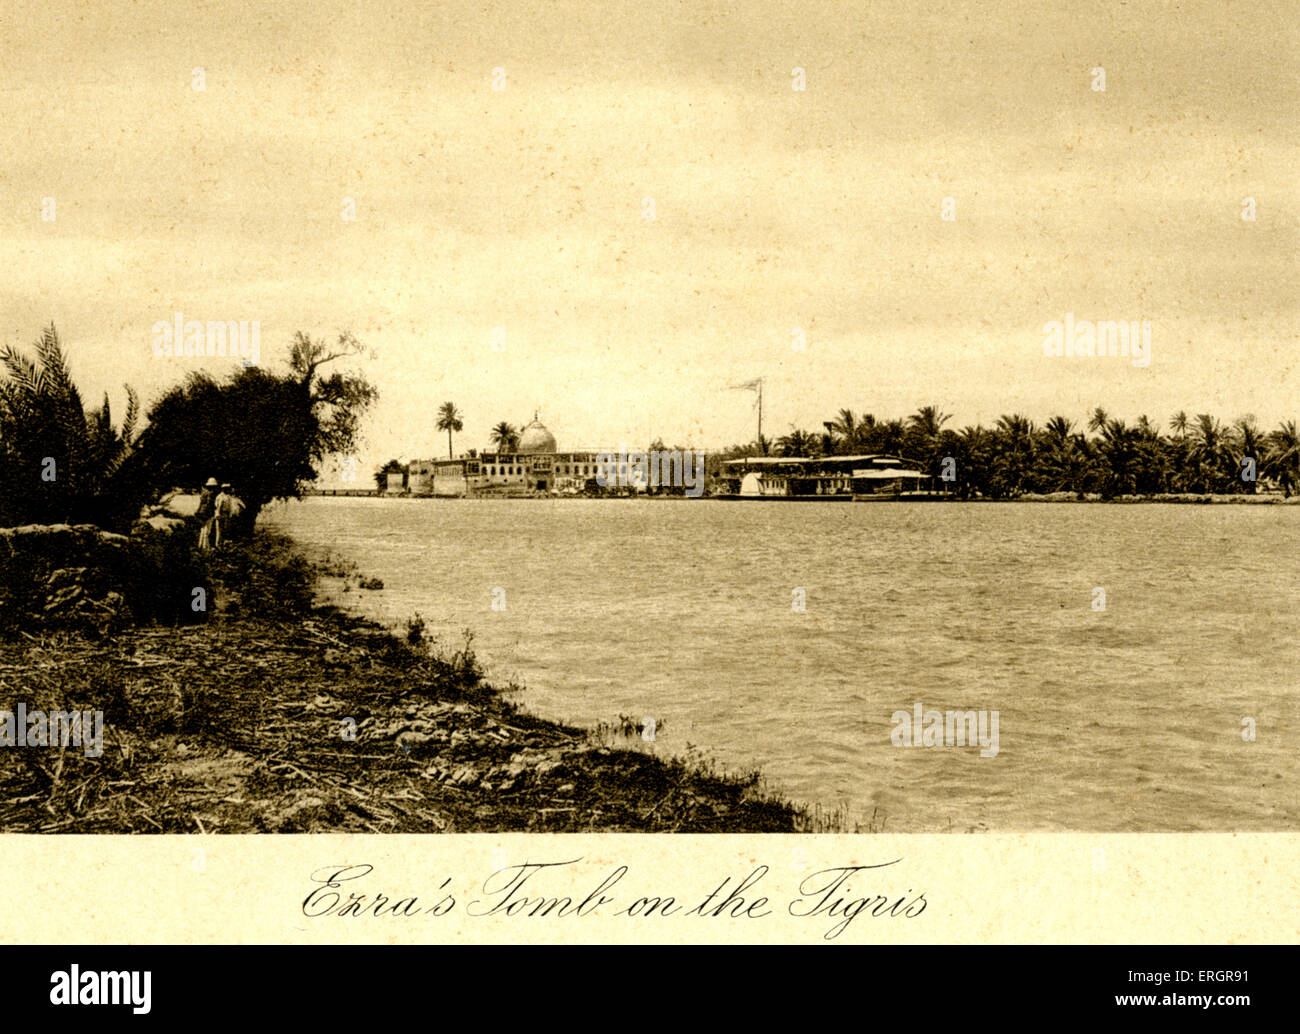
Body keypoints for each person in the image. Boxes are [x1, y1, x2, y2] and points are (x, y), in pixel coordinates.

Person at [196, 478, 219, 550]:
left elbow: (201, 504)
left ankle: (200, 545)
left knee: (203, 529)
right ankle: (205, 546)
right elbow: (210, 505)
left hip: (201, 512)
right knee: (207, 530)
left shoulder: (204, 493)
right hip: (208, 513)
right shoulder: (211, 494)